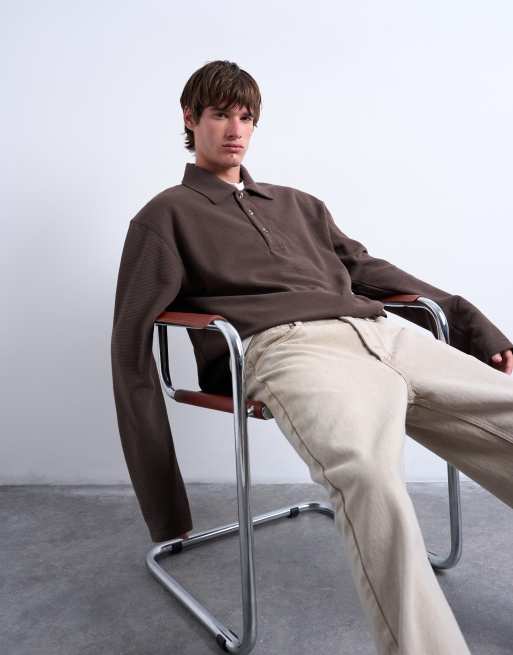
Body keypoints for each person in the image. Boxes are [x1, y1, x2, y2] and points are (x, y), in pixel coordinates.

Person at [111, 60, 513, 654]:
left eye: (246, 117)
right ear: (190, 118)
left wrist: (472, 324)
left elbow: (369, 270)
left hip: (380, 332)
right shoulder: (164, 216)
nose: (235, 130)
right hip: (288, 348)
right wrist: (165, 506)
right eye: (220, 114)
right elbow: (129, 348)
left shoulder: (299, 204)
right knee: (367, 474)